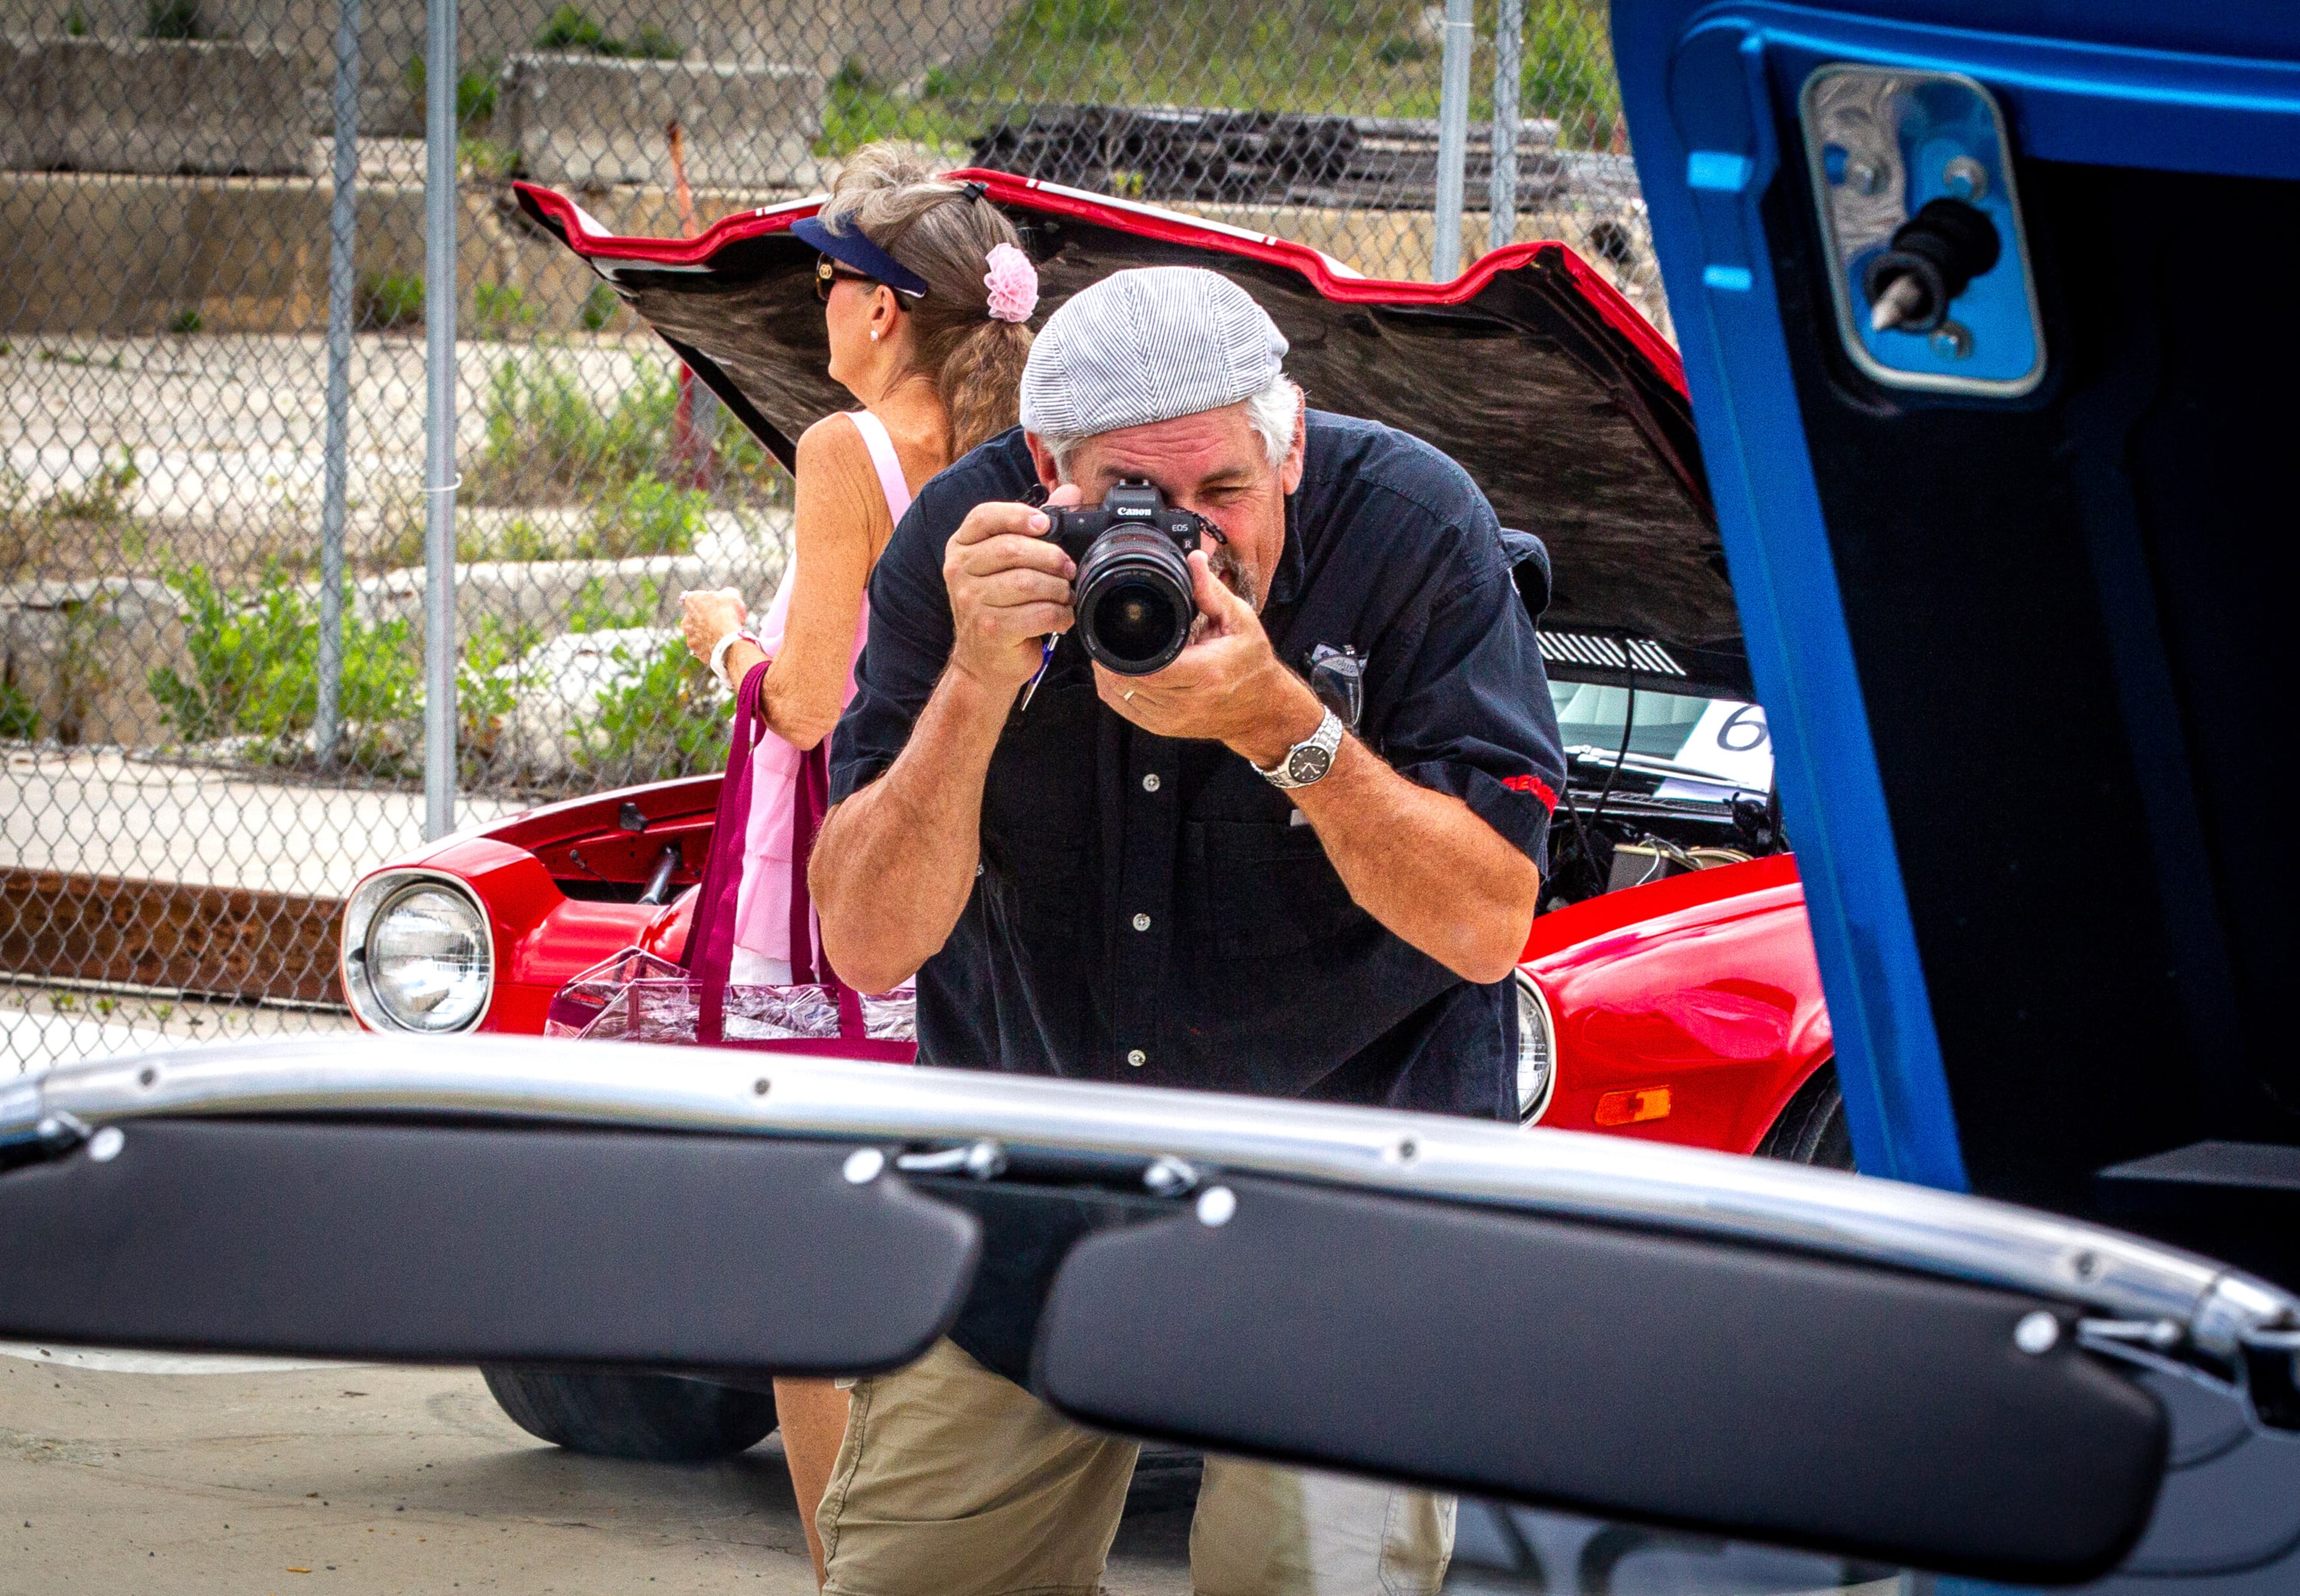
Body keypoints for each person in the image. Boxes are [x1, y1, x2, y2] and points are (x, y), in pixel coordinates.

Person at [808, 265, 1568, 1596]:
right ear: (1045, 466)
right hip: (1032, 1159)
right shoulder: (964, 540)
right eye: (1129, 501)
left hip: (1345, 1186)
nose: (1190, 543)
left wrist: (1287, 729)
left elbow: (1490, 922)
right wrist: (979, 687)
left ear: (1293, 449)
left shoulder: (1414, 530)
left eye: (1223, 492)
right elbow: (866, 942)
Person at [673, 144, 1037, 1588]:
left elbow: (812, 700)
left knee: (806, 1250)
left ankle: (848, 1570)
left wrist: (725, 644)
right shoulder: (1008, 447)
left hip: (836, 860)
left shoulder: (848, 452)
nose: (817, 305)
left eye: (829, 279)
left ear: (883, 311)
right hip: (971, 843)